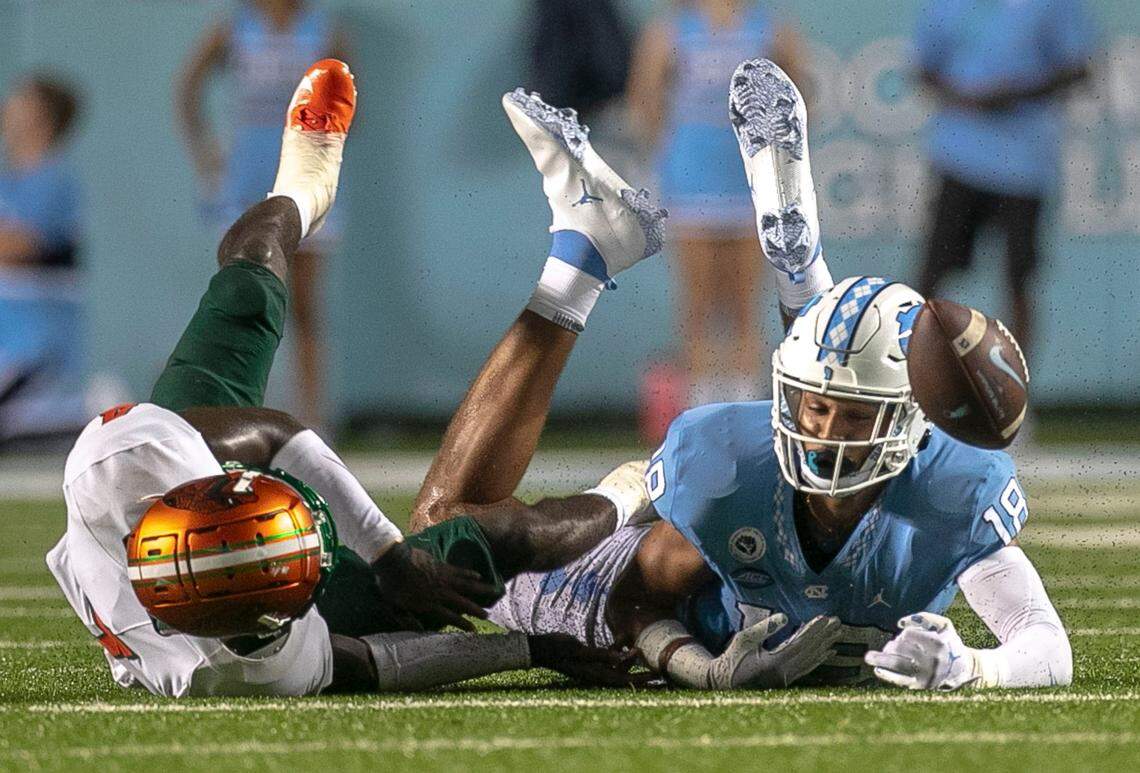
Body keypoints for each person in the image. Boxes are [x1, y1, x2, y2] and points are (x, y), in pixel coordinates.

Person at [46, 61, 666, 697]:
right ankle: (651, 480)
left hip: (173, 486)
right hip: (270, 584)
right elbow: (380, 665)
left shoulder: (119, 466)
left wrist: (389, 557)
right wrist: (526, 649)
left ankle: (303, 185)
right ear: (279, 611)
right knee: (480, 539)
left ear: (197, 492)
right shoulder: (244, 665)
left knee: (250, 268)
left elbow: (272, 434)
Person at [468, 61, 1072, 692]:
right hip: (604, 590)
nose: (827, 437)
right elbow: (633, 599)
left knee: (830, 370)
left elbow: (1045, 643)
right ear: (781, 399)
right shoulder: (732, 469)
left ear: (912, 423)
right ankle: (582, 260)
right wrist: (700, 668)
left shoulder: (949, 489)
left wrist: (972, 665)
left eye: (858, 417)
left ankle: (801, 278)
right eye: (815, 411)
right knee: (455, 534)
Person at [178, 0, 349, 430]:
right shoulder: (235, 26)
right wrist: (207, 158)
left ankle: (313, 423)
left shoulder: (323, 28)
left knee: (305, 306)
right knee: (241, 298)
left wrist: (323, 152)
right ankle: (232, 414)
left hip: (304, 178)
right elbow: (187, 88)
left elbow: (347, 100)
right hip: (246, 181)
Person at [626, 0, 804, 407]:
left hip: (748, 177)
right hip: (691, 179)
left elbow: (798, 94)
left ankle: (744, 404)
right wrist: (674, 150)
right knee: (699, 304)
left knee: (745, 303)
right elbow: (645, 99)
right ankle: (702, 406)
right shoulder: (671, 31)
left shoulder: (770, 29)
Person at [914, 0, 1099, 364]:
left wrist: (1018, 94)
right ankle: (910, 379)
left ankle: (1017, 394)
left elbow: (1078, 68)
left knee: (1019, 280)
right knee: (930, 276)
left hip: (1024, 164)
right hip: (959, 155)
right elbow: (923, 68)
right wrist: (964, 98)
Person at [0, 74, 86, 443]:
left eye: (17, 101)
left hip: (35, 346)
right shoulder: (8, 182)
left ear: (40, 117)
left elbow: (18, 247)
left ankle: (81, 410)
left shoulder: (54, 182)